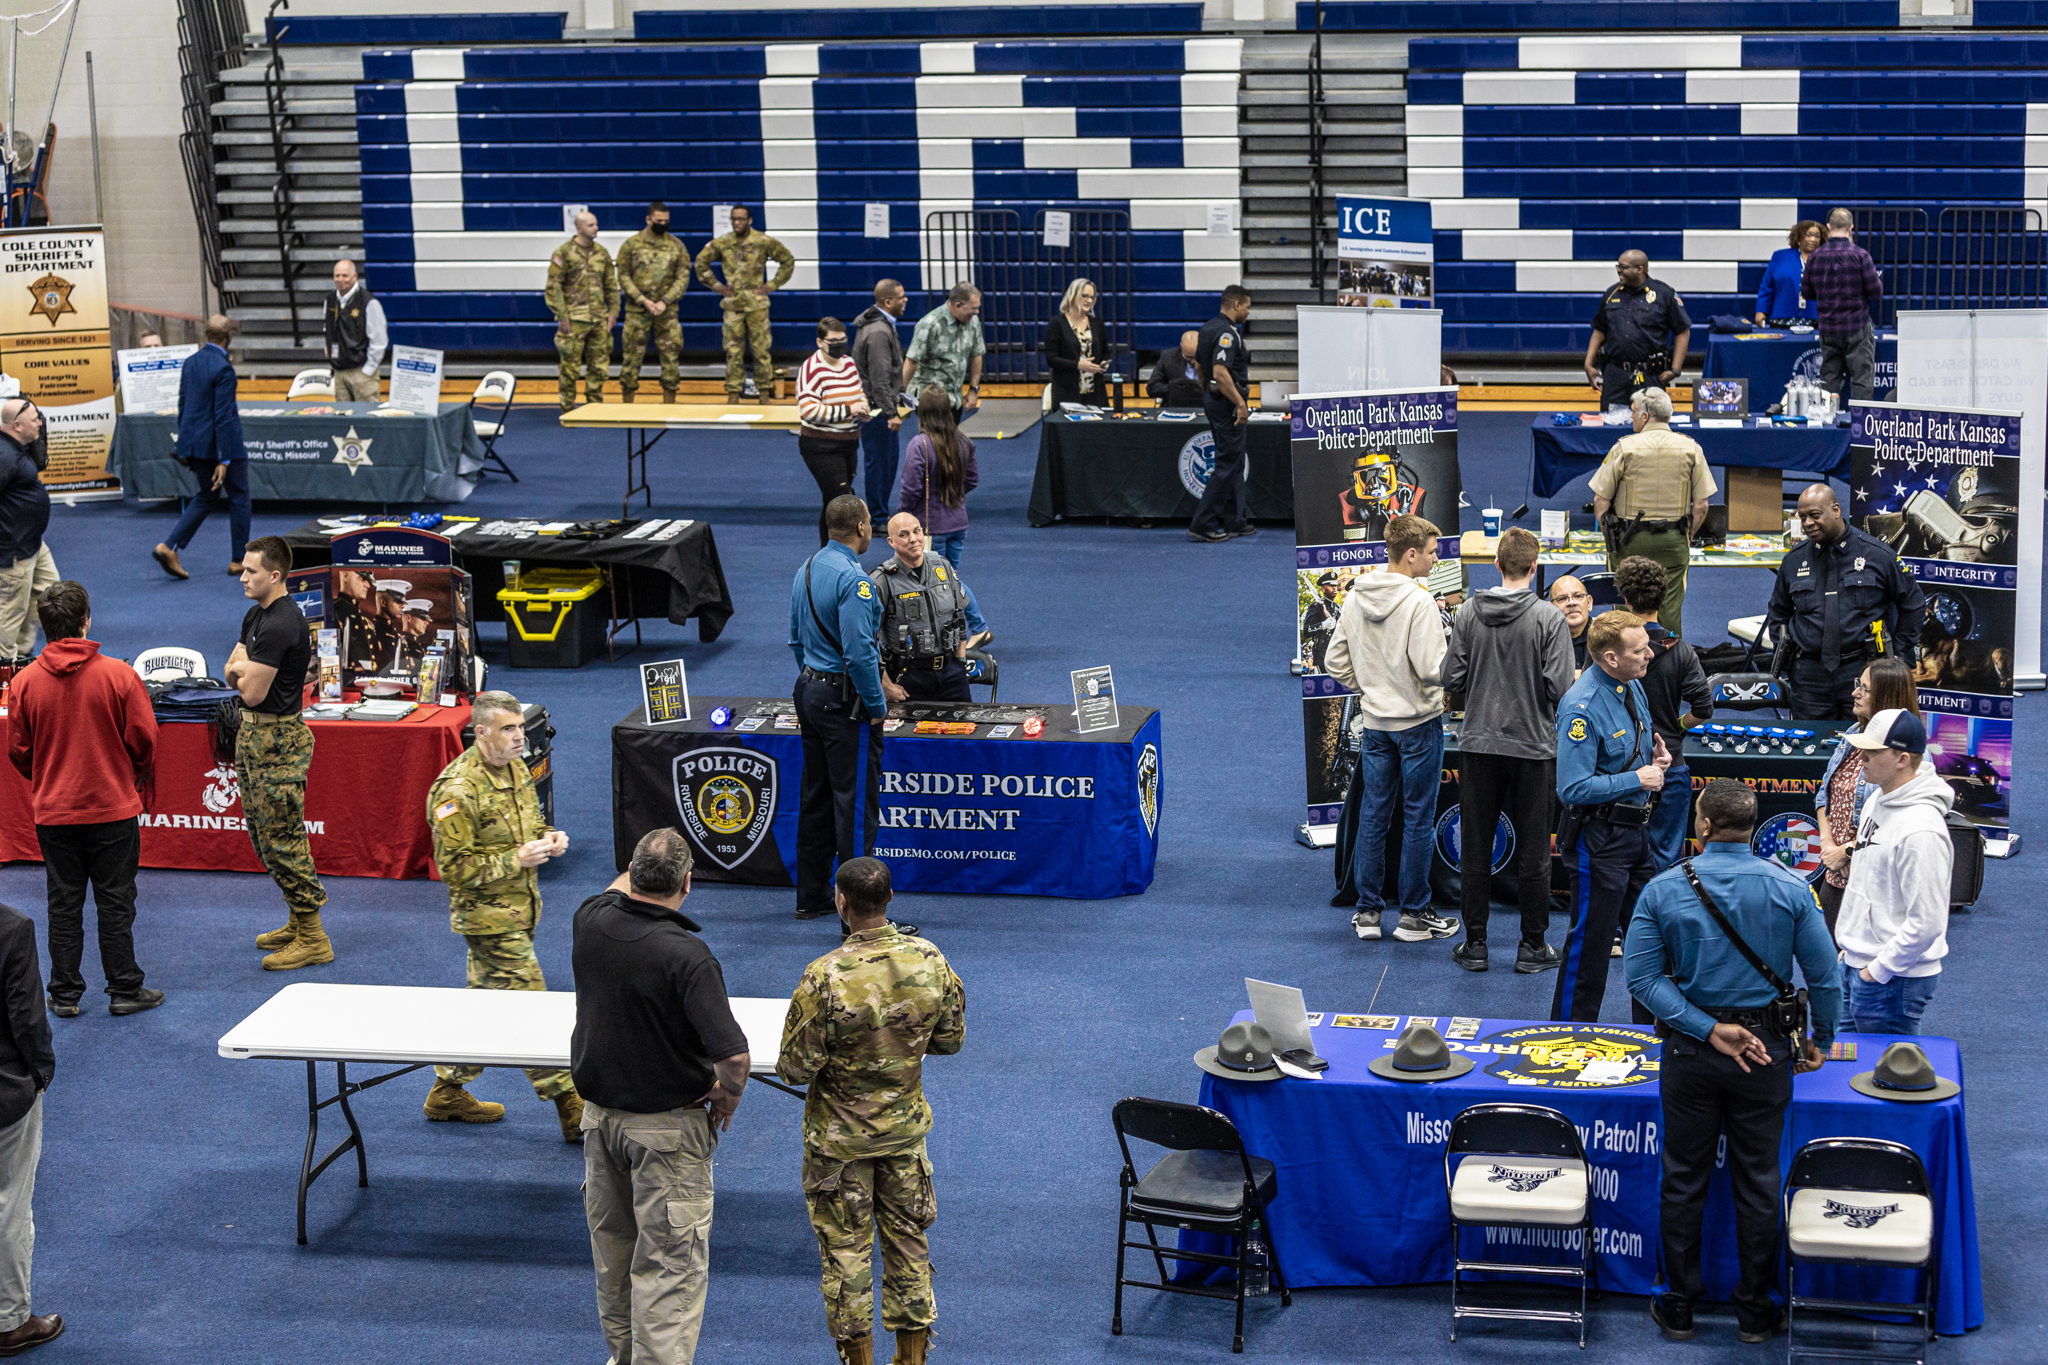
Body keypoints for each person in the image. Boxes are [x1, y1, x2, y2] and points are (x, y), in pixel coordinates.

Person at [1624, 778, 1838, 1346]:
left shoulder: (1663, 890)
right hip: (1766, 1050)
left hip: (1691, 1052)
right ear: (1750, 825)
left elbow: (1643, 980)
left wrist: (1708, 1028)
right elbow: (1824, 975)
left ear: (1703, 825)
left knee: (1683, 1177)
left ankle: (1678, 1305)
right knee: (1760, 1180)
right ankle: (1756, 1313)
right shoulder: (1792, 888)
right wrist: (1821, 1037)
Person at [571, 827, 751, 1365]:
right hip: (668, 1135)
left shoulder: (590, 920)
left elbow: (617, 886)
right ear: (688, 884)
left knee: (616, 1260)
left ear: (632, 874)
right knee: (669, 1273)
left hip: (601, 1124)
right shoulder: (687, 956)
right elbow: (734, 1057)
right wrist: (728, 1097)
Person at [778, 857, 965, 1365]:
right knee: (907, 1243)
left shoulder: (824, 977)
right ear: (888, 900)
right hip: (903, 1136)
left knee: (846, 1256)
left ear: (841, 902)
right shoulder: (929, 959)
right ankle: (912, 1358)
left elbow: (795, 1067)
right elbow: (950, 1039)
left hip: (839, 1145)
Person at [422, 690, 582, 1138]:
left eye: (520, 727)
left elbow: (529, 826)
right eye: (508, 729)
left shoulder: (514, 768)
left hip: (521, 910)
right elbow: (452, 869)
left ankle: (447, 1089)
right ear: (481, 732)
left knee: (486, 1009)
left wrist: (549, 839)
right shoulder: (456, 791)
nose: (519, 736)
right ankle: (571, 1107)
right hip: (488, 921)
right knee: (532, 1007)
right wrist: (519, 858)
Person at [5, 581, 162, 1019]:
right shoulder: (119, 675)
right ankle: (125, 989)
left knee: (63, 901)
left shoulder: (24, 682)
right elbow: (145, 740)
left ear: (45, 624)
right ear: (86, 620)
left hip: (55, 812)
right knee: (116, 900)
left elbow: (19, 751)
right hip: (112, 808)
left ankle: (65, 993)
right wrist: (127, 773)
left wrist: (49, 778)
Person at [1442, 527, 1573, 973]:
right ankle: (1532, 946)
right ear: (1535, 569)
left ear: (1496, 564)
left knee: (1475, 847)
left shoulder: (1467, 613)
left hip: (1478, 744)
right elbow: (1560, 686)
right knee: (1534, 852)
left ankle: (1475, 944)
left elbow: (1451, 678)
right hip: (1534, 748)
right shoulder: (1549, 619)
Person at [1324, 515, 1458, 945]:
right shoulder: (1420, 603)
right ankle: (1413, 916)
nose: (1437, 560)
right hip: (1419, 725)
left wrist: (1372, 688)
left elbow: (1334, 664)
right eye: (1434, 552)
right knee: (1418, 819)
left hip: (1376, 724)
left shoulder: (1355, 597)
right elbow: (1431, 670)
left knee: (1373, 815)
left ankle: (1367, 913)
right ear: (1412, 553)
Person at [1554, 610, 1671, 1022]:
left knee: (1649, 942)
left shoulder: (1630, 685)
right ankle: (1564, 1037)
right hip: (1598, 838)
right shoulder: (1580, 708)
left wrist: (1656, 762)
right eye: (1639, 650)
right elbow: (1571, 788)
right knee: (1591, 947)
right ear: (1610, 657)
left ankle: (1651, 1038)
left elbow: (1636, 746)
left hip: (1637, 833)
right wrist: (1635, 778)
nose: (1650, 655)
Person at [226, 535, 332, 971]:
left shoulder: (281, 623)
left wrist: (240, 669)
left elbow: (249, 690)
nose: (243, 577)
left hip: (277, 741)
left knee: (283, 840)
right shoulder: (257, 615)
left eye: (251, 571)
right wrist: (240, 667)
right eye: (243, 570)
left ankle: (313, 936)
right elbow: (231, 663)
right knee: (263, 837)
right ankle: (295, 916)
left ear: (275, 575)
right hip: (252, 739)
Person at [789, 496, 888, 923]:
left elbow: (795, 639)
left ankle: (810, 897)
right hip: (844, 703)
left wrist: (815, 680)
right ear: (862, 528)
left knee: (816, 798)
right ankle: (860, 921)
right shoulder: (855, 580)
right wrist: (875, 703)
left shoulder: (807, 568)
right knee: (855, 808)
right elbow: (861, 653)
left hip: (809, 690)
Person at [1834, 709, 1954, 1035]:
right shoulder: (1878, 798)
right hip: (1859, 963)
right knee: (1845, 1068)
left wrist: (1877, 971)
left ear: (1902, 759)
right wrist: (1853, 946)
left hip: (1893, 979)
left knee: (1887, 1079)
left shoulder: (1921, 831)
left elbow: (1927, 922)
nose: (1862, 757)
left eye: (1873, 751)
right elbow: (1868, 880)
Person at [1764, 483, 1925, 720]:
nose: (1808, 523)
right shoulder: (1794, 561)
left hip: (1862, 672)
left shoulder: (1878, 556)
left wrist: (1896, 658)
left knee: (1862, 747)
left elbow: (1913, 604)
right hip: (1809, 676)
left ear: (1836, 510)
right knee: (1808, 746)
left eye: (1815, 515)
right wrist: (1791, 658)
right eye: (1803, 517)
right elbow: (1778, 613)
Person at [1814, 658, 1927, 935]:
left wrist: (1847, 851)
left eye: (1865, 689)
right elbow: (1823, 795)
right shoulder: (1854, 733)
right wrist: (1828, 846)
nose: (1855, 693)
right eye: (1857, 685)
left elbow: (1893, 826)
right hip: (1834, 872)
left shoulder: (1902, 758)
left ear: (1887, 698)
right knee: (1830, 963)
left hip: (1870, 879)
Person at [1589, 387, 1713, 634]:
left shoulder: (1624, 448)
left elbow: (1600, 500)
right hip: (1673, 540)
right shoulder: (1691, 449)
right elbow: (1701, 506)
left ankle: (1625, 662)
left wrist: (1609, 536)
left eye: (1634, 412)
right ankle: (1669, 661)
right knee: (1669, 607)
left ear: (1646, 416)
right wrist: (1686, 536)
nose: (1632, 417)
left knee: (1626, 607)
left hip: (1628, 541)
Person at [1615, 556, 1713, 870]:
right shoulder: (1681, 649)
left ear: (1625, 599)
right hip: (1671, 768)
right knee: (1665, 862)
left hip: (1621, 768)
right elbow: (1703, 708)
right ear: (1664, 596)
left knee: (1617, 857)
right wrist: (1677, 726)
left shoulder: (1611, 648)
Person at [0, 898, 59, 1356]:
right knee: (9, 1205)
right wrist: (40, 1075)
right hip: (4, 1092)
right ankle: (9, 1322)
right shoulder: (11, 927)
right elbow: (28, 1018)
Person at [152, 316, 248, 582]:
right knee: (239, 496)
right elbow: (224, 416)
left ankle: (169, 546)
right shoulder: (224, 368)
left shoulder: (190, 362)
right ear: (228, 337)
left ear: (207, 335)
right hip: (222, 447)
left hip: (196, 444)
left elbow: (183, 406)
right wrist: (225, 459)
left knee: (206, 496)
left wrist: (184, 448)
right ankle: (238, 560)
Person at [695, 206, 795, 403]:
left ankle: (765, 393)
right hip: (733, 304)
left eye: (741, 219)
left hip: (757, 304)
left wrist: (772, 284)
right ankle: (733, 394)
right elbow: (700, 262)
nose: (737, 223)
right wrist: (718, 286)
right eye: (734, 219)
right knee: (733, 351)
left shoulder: (762, 241)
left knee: (761, 351)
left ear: (749, 220)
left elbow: (787, 260)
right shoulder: (724, 242)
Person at [873, 513, 971, 704]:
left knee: (964, 731)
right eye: (903, 535)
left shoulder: (941, 566)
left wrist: (959, 662)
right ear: (891, 541)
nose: (913, 539)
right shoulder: (881, 581)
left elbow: (959, 615)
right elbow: (867, 638)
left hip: (952, 674)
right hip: (908, 677)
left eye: (916, 531)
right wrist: (885, 685)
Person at [1582, 250, 1691, 411]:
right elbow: (1599, 330)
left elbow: (1682, 331)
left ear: (1640, 269)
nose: (1619, 270)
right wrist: (1588, 363)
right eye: (1618, 266)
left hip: (1650, 373)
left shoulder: (1663, 294)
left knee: (1651, 425)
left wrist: (1675, 369)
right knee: (1610, 424)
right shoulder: (1611, 293)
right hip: (1616, 373)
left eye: (1624, 267)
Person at [796, 317, 872, 546]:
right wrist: (849, 409)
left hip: (849, 442)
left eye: (843, 340)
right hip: (820, 445)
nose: (839, 344)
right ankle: (834, 554)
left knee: (834, 500)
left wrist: (864, 408)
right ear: (820, 342)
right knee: (841, 501)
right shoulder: (811, 369)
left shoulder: (849, 363)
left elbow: (859, 394)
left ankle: (828, 552)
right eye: (834, 341)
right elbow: (808, 410)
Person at [1188, 284, 1255, 543]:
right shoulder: (1228, 333)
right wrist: (1240, 403)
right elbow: (1220, 372)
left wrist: (1206, 389)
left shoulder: (1207, 328)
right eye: (1247, 306)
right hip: (1227, 405)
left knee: (1235, 462)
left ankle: (1234, 520)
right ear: (1236, 304)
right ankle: (1202, 523)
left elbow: (1198, 364)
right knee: (1227, 464)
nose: (1249, 311)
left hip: (1215, 400)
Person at [1803, 207, 1884, 403]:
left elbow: (1806, 293)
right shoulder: (1861, 255)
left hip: (1828, 327)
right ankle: (1861, 422)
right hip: (1857, 327)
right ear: (1851, 228)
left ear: (1829, 227)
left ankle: (1827, 420)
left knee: (1829, 380)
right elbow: (1876, 292)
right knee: (1861, 379)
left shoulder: (1814, 257)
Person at [615, 200, 690, 405]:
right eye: (659, 221)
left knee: (671, 357)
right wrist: (643, 300)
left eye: (666, 221)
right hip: (637, 311)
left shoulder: (677, 246)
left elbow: (683, 277)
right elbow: (623, 276)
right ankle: (627, 405)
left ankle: (669, 405)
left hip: (667, 312)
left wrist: (665, 301)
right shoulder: (631, 245)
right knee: (631, 357)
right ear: (648, 220)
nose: (663, 224)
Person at [897, 386, 979, 571]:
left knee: (933, 584)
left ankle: (967, 602)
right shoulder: (963, 440)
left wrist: (903, 514)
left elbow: (911, 488)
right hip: (958, 524)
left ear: (922, 412)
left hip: (930, 527)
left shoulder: (919, 445)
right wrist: (953, 492)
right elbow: (972, 479)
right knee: (951, 579)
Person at [545, 210, 618, 412]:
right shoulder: (564, 252)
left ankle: (594, 407)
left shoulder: (602, 253)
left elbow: (611, 285)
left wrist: (613, 313)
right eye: (591, 225)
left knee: (599, 367)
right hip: (574, 319)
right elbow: (554, 286)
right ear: (579, 228)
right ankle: (567, 408)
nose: (596, 228)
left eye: (596, 224)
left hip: (599, 318)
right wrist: (562, 315)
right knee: (570, 367)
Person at [0, 400, 53, 665]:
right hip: (13, 551)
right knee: (9, 614)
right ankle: (4, 672)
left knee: (48, 593)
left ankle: (21, 656)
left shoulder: (17, 448)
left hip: (34, 544)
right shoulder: (3, 456)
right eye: (35, 420)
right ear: (17, 425)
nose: (40, 423)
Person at [851, 280, 908, 522]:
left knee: (886, 461)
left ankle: (880, 512)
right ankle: (877, 516)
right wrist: (890, 412)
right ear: (887, 302)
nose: (905, 300)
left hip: (878, 406)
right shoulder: (878, 331)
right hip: (876, 411)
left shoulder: (880, 326)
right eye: (901, 297)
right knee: (880, 464)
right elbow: (879, 377)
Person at [901, 283, 984, 418]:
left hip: (955, 399)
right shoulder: (930, 324)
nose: (977, 312)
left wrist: (974, 390)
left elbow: (977, 354)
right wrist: (901, 397)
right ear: (957, 305)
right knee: (935, 438)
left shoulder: (973, 321)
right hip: (930, 400)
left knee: (950, 437)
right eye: (973, 308)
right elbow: (911, 361)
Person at [323, 259, 387, 403]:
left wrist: (368, 371)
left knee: (367, 421)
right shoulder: (329, 300)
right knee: (343, 420)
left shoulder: (369, 302)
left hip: (361, 372)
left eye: (345, 275)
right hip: (339, 373)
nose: (340, 280)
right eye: (337, 275)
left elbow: (379, 340)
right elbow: (328, 328)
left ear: (354, 277)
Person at [1043, 277, 1111, 409]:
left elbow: (1104, 352)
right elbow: (1051, 359)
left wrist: (1103, 364)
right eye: (1084, 296)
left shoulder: (1097, 323)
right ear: (1073, 295)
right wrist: (1078, 365)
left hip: (1095, 392)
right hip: (1067, 392)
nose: (1089, 300)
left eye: (1092, 297)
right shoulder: (1057, 324)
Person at [1754, 220, 1823, 326]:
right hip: (1782, 318)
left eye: (1817, 236)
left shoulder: (1825, 259)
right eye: (1808, 235)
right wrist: (1761, 310)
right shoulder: (1780, 257)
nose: (1813, 239)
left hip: (1816, 319)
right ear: (1799, 236)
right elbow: (1767, 286)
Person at [1299, 571, 1343, 674]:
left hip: (1338, 653)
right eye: (1331, 585)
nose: (1335, 588)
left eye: (1335, 585)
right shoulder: (1316, 607)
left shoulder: (1338, 608)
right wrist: (1323, 625)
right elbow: (1307, 630)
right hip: (1322, 655)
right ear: (1323, 589)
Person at [1147, 331, 1204, 408]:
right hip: (1176, 406)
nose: (1193, 361)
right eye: (1188, 357)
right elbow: (1152, 388)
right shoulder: (1168, 358)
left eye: (1196, 357)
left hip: (1205, 406)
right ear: (1181, 347)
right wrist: (1176, 389)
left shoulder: (1213, 358)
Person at [1548, 574, 1593, 673]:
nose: (1571, 602)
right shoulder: (1542, 643)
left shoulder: (1607, 640)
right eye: (1562, 599)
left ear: (1589, 603)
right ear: (1550, 609)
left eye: (1578, 596)